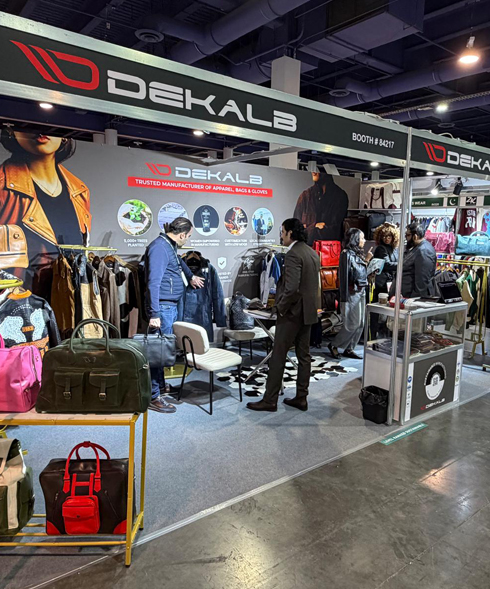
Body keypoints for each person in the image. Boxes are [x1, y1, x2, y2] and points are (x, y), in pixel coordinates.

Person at [0, 130, 90, 296]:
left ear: (65, 136)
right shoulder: (3, 188)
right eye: (28, 123)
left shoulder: (80, 191)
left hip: (71, 295)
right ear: (11, 132)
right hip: (23, 301)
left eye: (52, 126)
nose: (40, 131)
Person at [247, 218, 321, 412]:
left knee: (278, 356)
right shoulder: (312, 253)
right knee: (304, 356)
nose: (281, 235)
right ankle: (301, 397)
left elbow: (291, 288)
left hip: (292, 313)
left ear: (290, 233)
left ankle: (270, 400)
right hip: (308, 312)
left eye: (282, 231)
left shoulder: (293, 254)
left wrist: (279, 308)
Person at [145, 217, 204, 413]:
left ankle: (160, 386)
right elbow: (153, 282)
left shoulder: (168, 245)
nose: (188, 239)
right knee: (157, 352)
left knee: (162, 350)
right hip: (162, 308)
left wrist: (190, 276)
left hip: (168, 307)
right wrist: (155, 313)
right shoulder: (159, 248)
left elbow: (178, 262)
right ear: (182, 235)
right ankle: (153, 396)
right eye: (188, 236)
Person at [328, 228, 372, 360]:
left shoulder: (356, 254)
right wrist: (366, 261)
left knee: (361, 323)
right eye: (362, 238)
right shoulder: (346, 254)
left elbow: (359, 272)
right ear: (355, 239)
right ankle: (334, 344)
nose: (364, 241)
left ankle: (350, 348)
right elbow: (346, 276)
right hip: (352, 292)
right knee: (352, 323)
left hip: (360, 290)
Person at [294, 171, 349, 246]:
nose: (313, 172)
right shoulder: (305, 196)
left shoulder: (340, 196)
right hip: (307, 248)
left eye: (318, 170)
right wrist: (315, 227)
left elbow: (337, 229)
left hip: (330, 249)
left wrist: (308, 227)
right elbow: (296, 228)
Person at [371, 223, 399, 338]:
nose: (386, 238)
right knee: (377, 310)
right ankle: (373, 335)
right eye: (384, 236)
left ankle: (381, 334)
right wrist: (402, 264)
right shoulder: (381, 249)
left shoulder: (394, 249)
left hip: (388, 282)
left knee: (384, 310)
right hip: (381, 283)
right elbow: (386, 264)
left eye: (389, 236)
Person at [398, 222, 437, 298]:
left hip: (415, 297)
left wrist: (414, 299)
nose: (406, 238)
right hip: (409, 295)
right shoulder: (418, 248)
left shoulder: (424, 250)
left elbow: (422, 280)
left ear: (415, 236)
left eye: (408, 235)